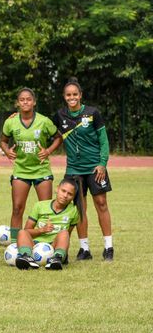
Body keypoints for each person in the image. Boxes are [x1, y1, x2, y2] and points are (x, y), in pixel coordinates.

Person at [52, 78, 113, 261]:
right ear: (64, 97)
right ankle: (84, 249)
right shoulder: (60, 115)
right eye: (68, 95)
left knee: (101, 204)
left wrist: (102, 163)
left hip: (95, 168)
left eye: (75, 94)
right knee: (79, 208)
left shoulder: (92, 113)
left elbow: (103, 140)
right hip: (74, 169)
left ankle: (108, 247)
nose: (72, 97)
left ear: (80, 95)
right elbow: (42, 125)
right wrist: (19, 115)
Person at [0, 88, 62, 243]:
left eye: (28, 99)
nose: (25, 102)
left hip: (42, 170)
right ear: (17, 103)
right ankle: (15, 244)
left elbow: (59, 138)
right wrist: (7, 152)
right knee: (17, 209)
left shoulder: (44, 121)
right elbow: (3, 141)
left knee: (46, 210)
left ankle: (45, 244)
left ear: (34, 102)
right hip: (21, 170)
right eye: (22, 99)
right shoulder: (11, 122)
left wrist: (47, 151)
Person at [15, 178, 82, 270]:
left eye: (70, 194)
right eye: (63, 191)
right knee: (22, 232)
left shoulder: (74, 211)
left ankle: (57, 258)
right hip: (35, 245)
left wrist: (64, 250)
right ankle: (26, 256)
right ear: (57, 189)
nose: (65, 195)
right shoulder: (40, 205)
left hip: (54, 246)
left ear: (73, 197)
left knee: (64, 233)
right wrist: (41, 230)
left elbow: (68, 234)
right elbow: (27, 231)